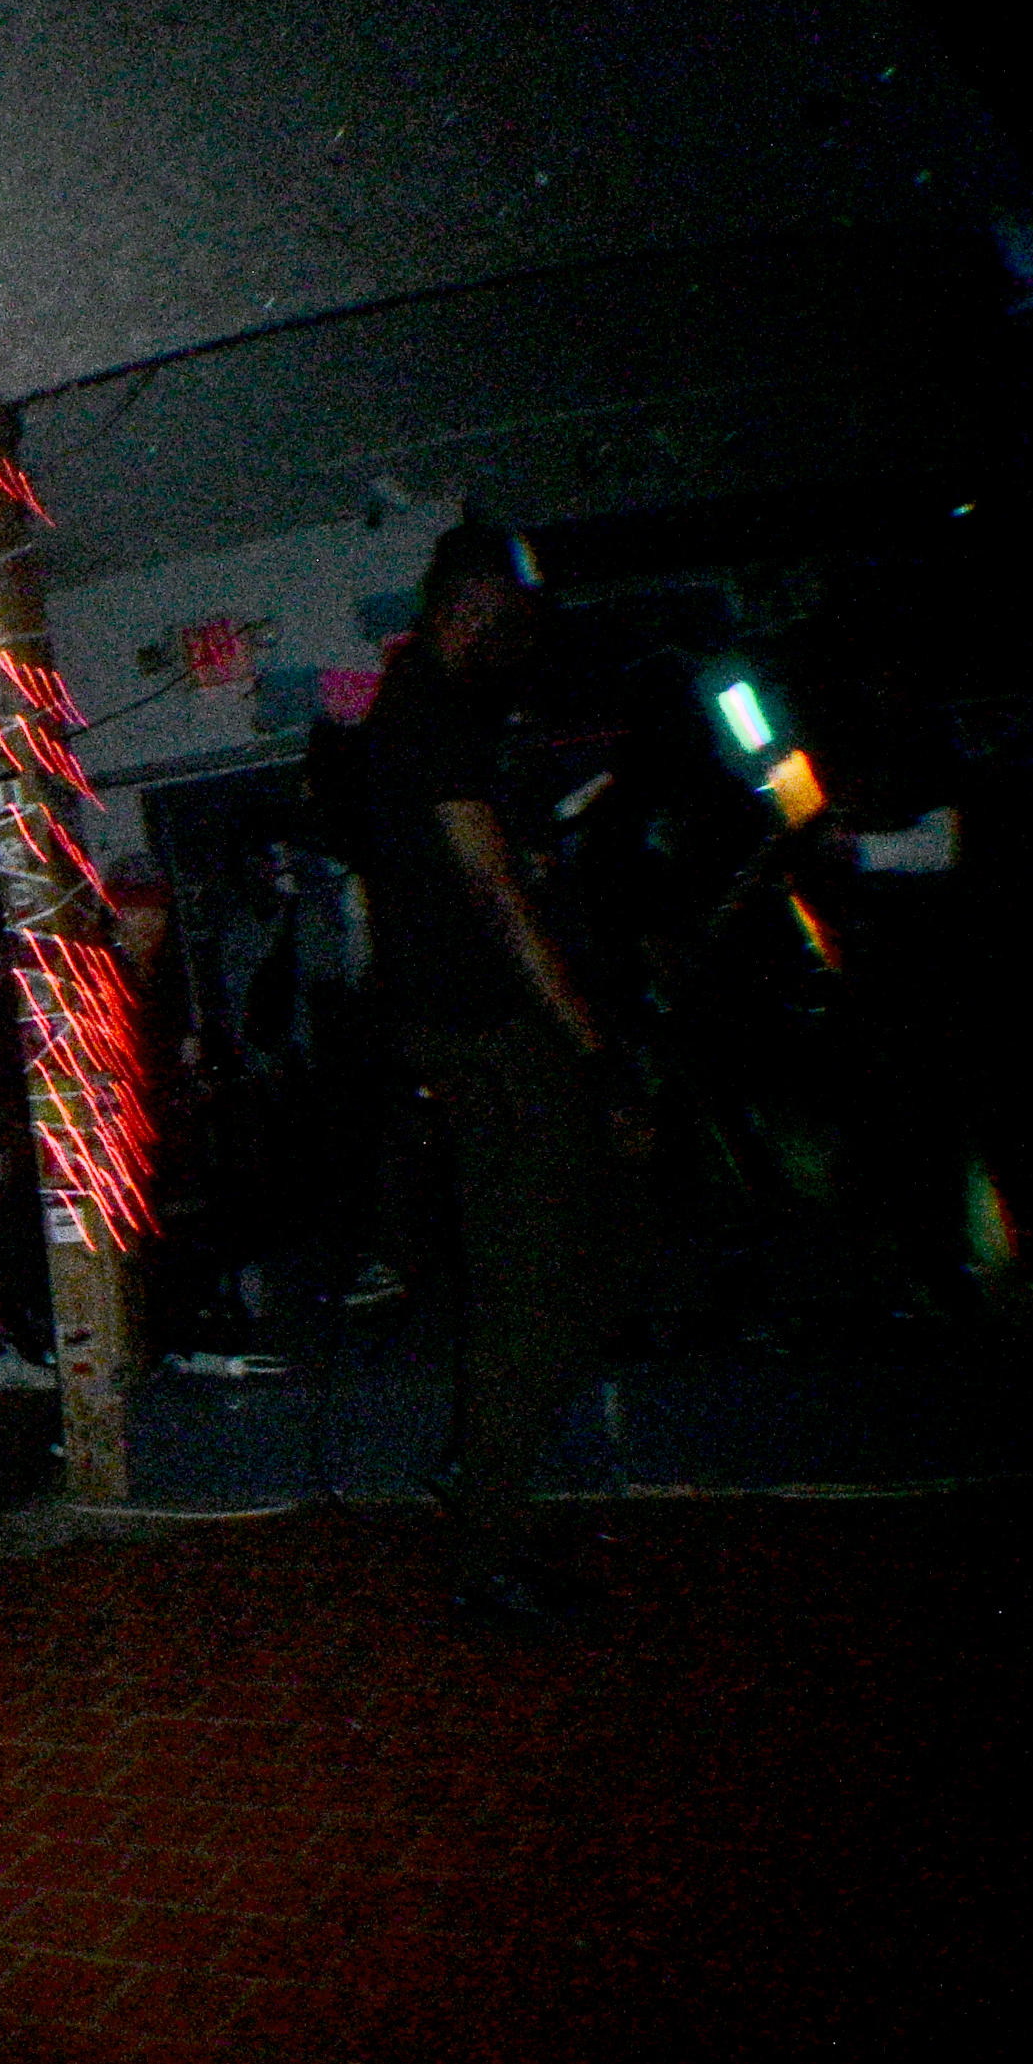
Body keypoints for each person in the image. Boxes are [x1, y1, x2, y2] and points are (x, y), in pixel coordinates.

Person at [349, 520, 650, 1623]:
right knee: (532, 1284)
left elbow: (472, 876)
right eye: (513, 624)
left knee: (552, 1269)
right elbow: (492, 897)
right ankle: (487, 1551)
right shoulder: (431, 712)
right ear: (472, 607)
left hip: (469, 1034)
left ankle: (483, 1478)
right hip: (491, 1035)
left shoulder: (418, 712)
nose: (521, 645)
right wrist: (591, 1043)